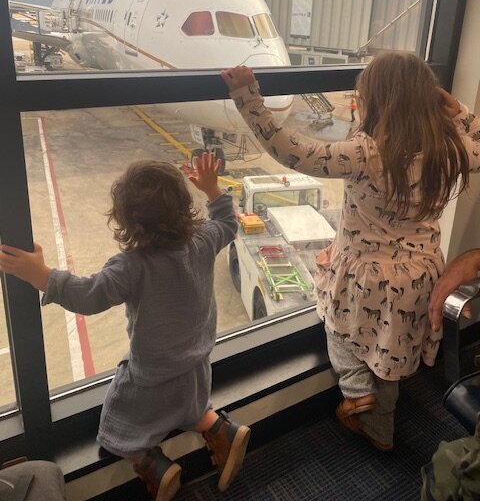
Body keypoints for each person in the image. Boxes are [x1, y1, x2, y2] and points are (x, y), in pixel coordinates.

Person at [221, 51, 480, 452]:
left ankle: (358, 391)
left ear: (376, 100)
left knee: (334, 321)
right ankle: (382, 429)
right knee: (389, 356)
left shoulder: (364, 153)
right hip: (421, 274)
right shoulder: (451, 150)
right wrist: (460, 110)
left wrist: (247, 98)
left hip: (366, 274)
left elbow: (290, 148)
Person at [0, 153, 250, 501]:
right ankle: (220, 428)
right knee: (191, 407)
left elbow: (88, 296)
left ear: (128, 222)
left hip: (152, 377)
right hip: (196, 366)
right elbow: (226, 222)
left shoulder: (132, 266)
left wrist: (41, 276)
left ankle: (154, 465)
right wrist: (212, 189)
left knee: (116, 425)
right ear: (183, 207)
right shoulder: (203, 241)